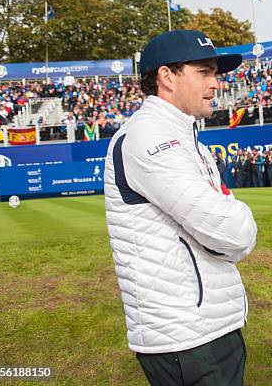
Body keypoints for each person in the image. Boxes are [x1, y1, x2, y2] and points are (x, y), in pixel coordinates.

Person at [104, 30, 257, 386]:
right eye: (204, 72)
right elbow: (233, 231)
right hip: (188, 334)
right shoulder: (149, 136)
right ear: (166, 76)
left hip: (203, 325)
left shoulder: (185, 138)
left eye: (215, 73)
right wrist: (240, 225)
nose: (216, 84)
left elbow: (218, 224)